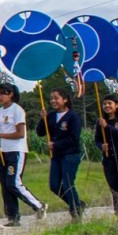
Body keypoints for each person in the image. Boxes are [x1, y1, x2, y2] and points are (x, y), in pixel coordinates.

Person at [0, 82, 46, 226]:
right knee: (5, 186)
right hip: (3, 151)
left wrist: (0, 135)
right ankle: (13, 217)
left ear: (11, 94)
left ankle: (39, 205)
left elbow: (20, 133)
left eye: (2, 93)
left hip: (16, 150)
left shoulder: (17, 110)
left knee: (13, 183)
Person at [37, 88, 85, 219]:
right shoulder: (51, 116)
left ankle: (76, 212)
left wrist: (56, 144)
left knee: (68, 183)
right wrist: (43, 119)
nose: (53, 101)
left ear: (65, 99)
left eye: (56, 98)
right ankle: (77, 203)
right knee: (54, 185)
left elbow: (74, 138)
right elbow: (40, 132)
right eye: (51, 98)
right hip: (56, 156)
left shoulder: (73, 117)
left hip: (70, 155)